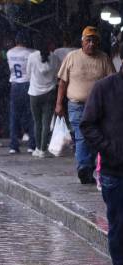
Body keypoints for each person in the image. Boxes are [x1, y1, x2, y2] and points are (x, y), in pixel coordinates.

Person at [80, 43, 123, 264]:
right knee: (118, 225)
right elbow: (88, 125)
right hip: (114, 171)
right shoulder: (105, 88)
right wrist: (110, 149)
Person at [56, 26, 115, 184]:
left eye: (94, 41)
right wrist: (59, 104)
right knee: (82, 137)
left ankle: (88, 167)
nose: (91, 44)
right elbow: (62, 82)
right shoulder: (72, 57)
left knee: (96, 138)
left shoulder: (103, 58)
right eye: (88, 40)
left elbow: (112, 82)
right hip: (77, 105)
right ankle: (84, 167)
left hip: (99, 107)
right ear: (82, 41)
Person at [27, 35, 61, 158]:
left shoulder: (31, 57)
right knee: (46, 122)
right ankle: (43, 149)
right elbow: (58, 75)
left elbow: (28, 73)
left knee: (37, 122)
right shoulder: (55, 58)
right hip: (50, 93)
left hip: (34, 93)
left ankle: (37, 147)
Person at [6, 31, 36, 154]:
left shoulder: (9, 53)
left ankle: (13, 145)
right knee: (30, 115)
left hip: (14, 85)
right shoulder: (31, 53)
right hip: (27, 84)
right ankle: (32, 144)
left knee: (14, 116)